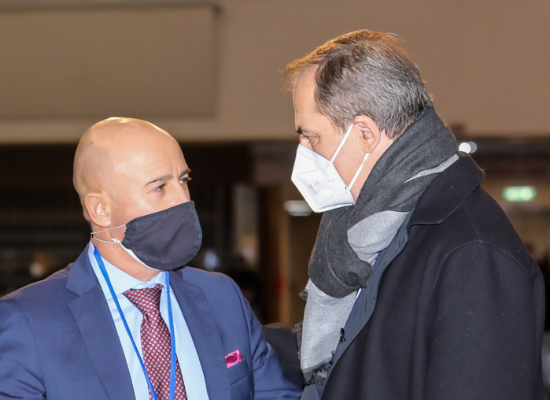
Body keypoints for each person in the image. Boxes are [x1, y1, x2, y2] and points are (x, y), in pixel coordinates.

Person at [284, 30, 545, 400]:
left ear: (365, 133)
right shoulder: (376, 229)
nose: (304, 151)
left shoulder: (470, 252)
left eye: (311, 137)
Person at [0, 118, 302, 400]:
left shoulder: (221, 297)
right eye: (159, 187)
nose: (183, 200)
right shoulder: (28, 320)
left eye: (183, 180)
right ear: (101, 209)